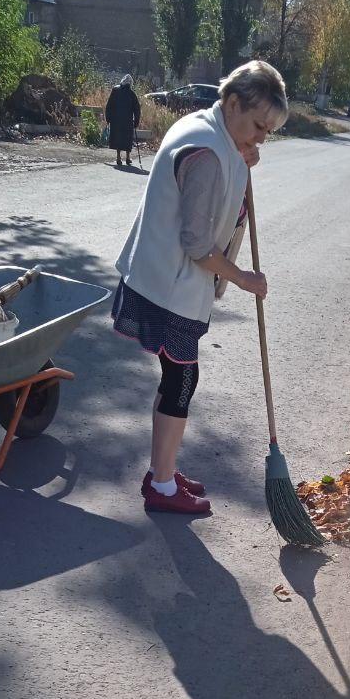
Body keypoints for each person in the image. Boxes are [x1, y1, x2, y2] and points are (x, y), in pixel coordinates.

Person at [112, 60, 289, 514]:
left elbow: (223, 197)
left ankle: (163, 471)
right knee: (182, 378)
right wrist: (243, 278)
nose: (262, 138)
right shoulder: (209, 154)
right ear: (232, 104)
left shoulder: (207, 129)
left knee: (178, 377)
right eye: (258, 126)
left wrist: (243, 156)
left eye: (268, 131)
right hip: (171, 285)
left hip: (163, 277)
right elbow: (197, 245)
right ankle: (162, 485)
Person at [105, 74, 141, 166]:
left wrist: (108, 118)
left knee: (118, 138)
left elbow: (109, 105)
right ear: (130, 83)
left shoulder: (115, 91)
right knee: (127, 139)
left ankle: (118, 157)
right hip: (127, 121)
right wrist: (136, 121)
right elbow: (137, 109)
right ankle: (128, 158)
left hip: (116, 120)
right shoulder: (132, 94)